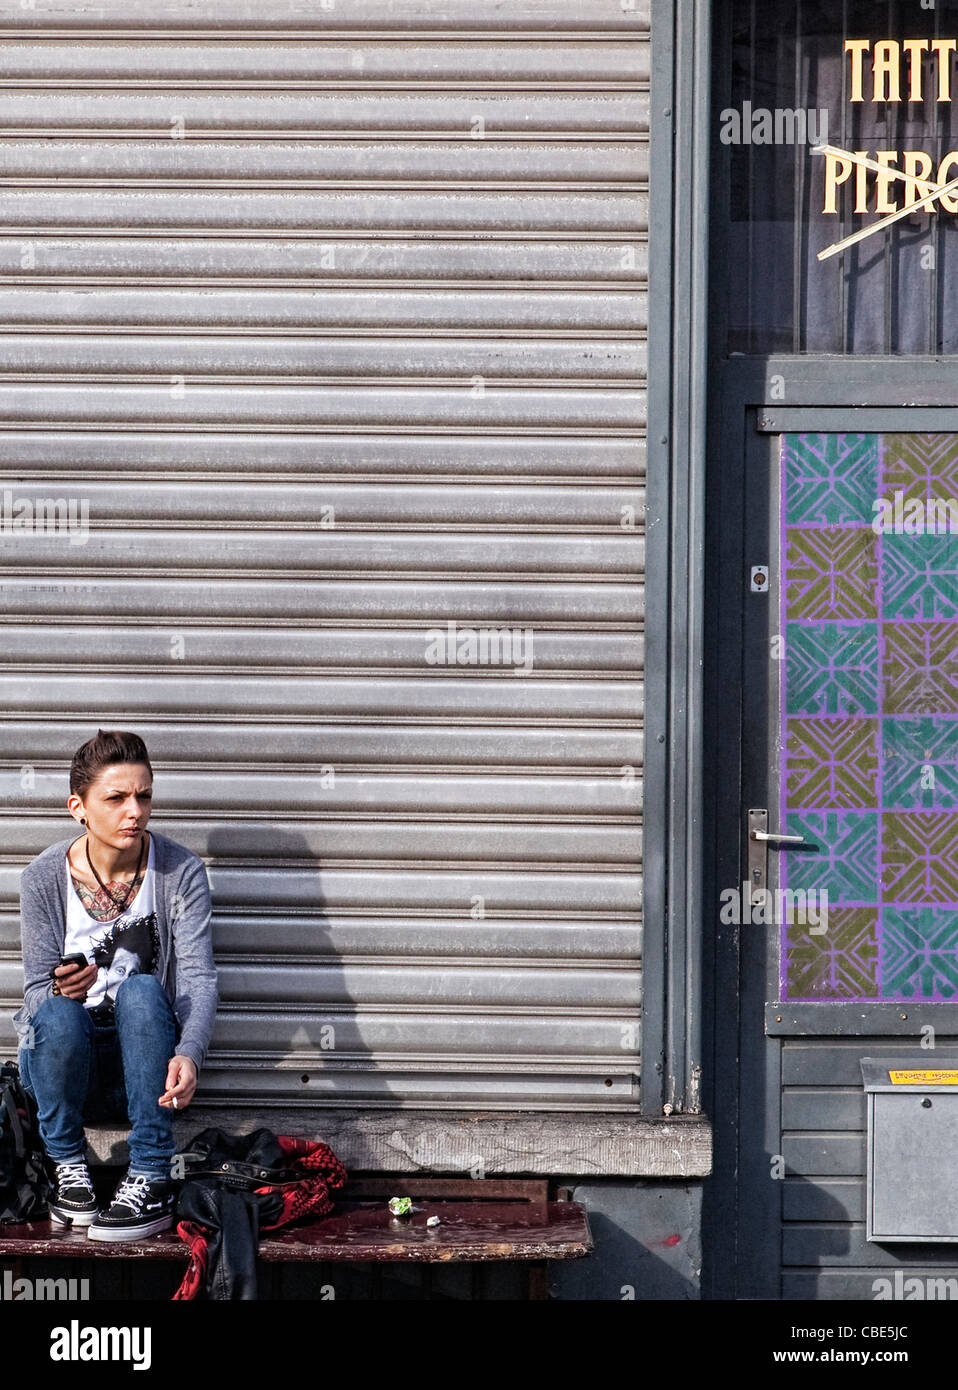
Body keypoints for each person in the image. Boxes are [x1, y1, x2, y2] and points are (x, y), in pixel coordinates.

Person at [14, 730, 218, 1241]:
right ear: (78, 808)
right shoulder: (43, 877)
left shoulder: (179, 870)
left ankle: (151, 1173)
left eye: (144, 795)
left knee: (144, 991)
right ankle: (67, 1168)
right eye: (117, 798)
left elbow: (197, 976)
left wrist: (189, 1053)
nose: (135, 811)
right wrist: (66, 994)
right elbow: (35, 997)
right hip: (68, 1075)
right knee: (58, 1012)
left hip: (146, 1069)